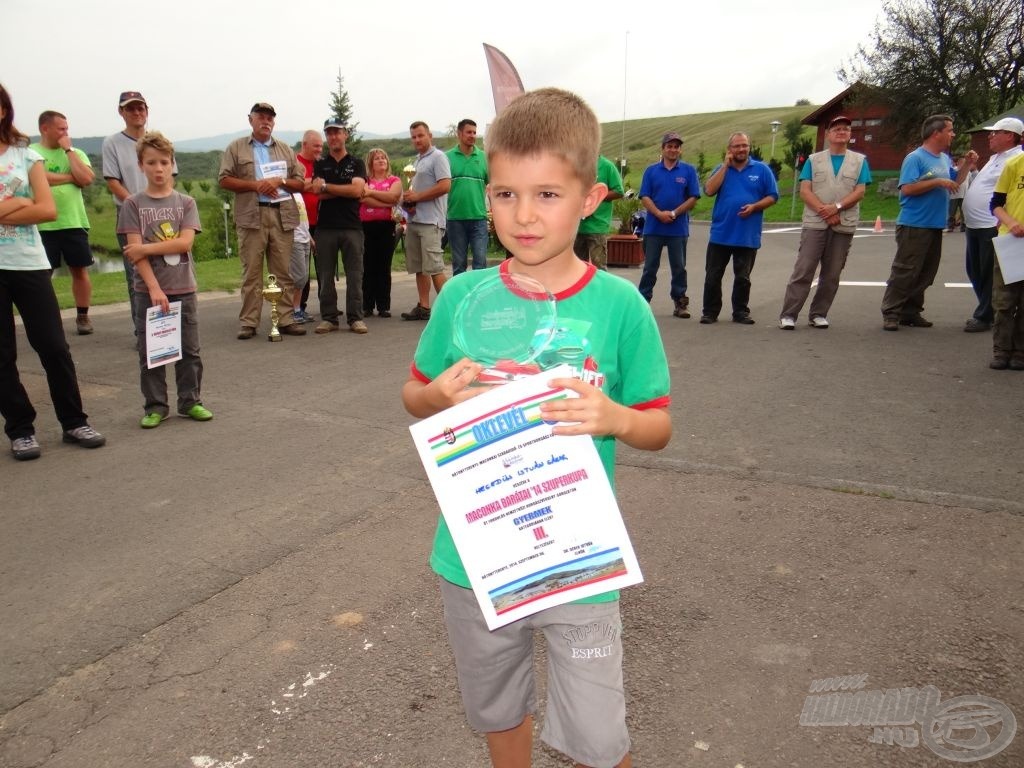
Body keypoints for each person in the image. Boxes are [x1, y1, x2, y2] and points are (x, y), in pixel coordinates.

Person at [402, 87, 672, 768]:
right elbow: (413, 394)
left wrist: (614, 419)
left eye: (548, 195)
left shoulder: (620, 305)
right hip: (474, 556)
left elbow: (657, 425)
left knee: (600, 734)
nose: (523, 216)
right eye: (504, 195)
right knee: (498, 706)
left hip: (578, 558)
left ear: (589, 199)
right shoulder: (464, 296)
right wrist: (435, 394)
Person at [0, 83, 105, 460]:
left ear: (4, 110)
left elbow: (46, 210)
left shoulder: (24, 155)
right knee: (2, 355)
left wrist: (17, 203)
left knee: (54, 347)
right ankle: (20, 429)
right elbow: (33, 202)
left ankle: (74, 421)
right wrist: (18, 200)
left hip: (27, 262)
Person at [117, 131, 212, 428]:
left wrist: (146, 246)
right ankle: (156, 406)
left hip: (184, 287)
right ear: (141, 165)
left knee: (190, 351)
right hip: (149, 291)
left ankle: (191, 401)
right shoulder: (133, 205)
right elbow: (135, 255)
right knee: (152, 352)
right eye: (151, 162)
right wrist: (154, 287)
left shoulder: (186, 203)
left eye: (163, 162)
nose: (158, 168)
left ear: (172, 163)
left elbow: (184, 244)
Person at [880, 115, 978, 331]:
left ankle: (910, 311)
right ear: (936, 133)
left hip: (934, 225)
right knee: (906, 270)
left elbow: (955, 182)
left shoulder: (943, 158)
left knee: (926, 272)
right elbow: (906, 188)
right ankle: (891, 312)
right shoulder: (915, 158)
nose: (953, 134)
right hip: (914, 224)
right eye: (950, 130)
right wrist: (936, 181)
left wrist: (967, 165)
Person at [219, 102, 306, 340]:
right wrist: (255, 185)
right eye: (261, 117)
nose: (266, 121)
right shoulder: (236, 148)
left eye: (270, 118)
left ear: (274, 122)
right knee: (251, 273)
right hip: (251, 215)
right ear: (251, 120)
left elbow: (301, 183)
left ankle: (286, 319)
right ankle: (249, 321)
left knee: (283, 272)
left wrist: (281, 182)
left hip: (281, 215)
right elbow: (224, 180)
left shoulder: (286, 150)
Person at [778, 115, 871, 329]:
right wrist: (826, 211)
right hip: (816, 222)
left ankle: (818, 313)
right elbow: (805, 191)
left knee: (832, 273)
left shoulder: (859, 161)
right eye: (837, 129)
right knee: (804, 269)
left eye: (846, 129)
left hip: (843, 223)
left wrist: (837, 208)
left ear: (850, 135)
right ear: (828, 134)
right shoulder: (814, 160)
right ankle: (789, 314)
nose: (842, 132)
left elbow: (860, 191)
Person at [102, 91, 177, 330]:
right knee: (136, 272)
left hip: (162, 215)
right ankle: (143, 329)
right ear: (121, 112)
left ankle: (168, 324)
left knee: (168, 269)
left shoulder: (159, 141)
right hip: (130, 214)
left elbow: (171, 176)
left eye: (140, 108)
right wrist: (137, 205)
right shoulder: (112, 143)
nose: (137, 112)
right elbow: (113, 181)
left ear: (146, 110)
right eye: (130, 109)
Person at [700, 132, 779, 324]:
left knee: (743, 277)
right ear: (730, 150)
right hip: (721, 233)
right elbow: (709, 190)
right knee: (712, 276)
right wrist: (725, 166)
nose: (742, 149)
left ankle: (741, 312)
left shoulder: (761, 170)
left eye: (745, 145)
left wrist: (755, 207)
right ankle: (710, 312)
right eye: (737, 146)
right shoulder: (721, 169)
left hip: (747, 234)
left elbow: (773, 196)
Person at [30, 111, 96, 335]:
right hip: (42, 224)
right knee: (42, 274)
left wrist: (68, 151)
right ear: (44, 129)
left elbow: (86, 178)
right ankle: (44, 318)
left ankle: (83, 316)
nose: (66, 133)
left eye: (67, 128)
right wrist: (70, 177)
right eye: (61, 129)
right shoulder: (31, 152)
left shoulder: (75, 153)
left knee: (80, 270)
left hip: (74, 221)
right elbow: (37, 177)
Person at [960, 117, 1023, 333]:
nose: (990, 136)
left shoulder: (1015, 159)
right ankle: (989, 310)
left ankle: (985, 314)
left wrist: (1003, 219)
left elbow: (1011, 192)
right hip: (974, 224)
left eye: (995, 132)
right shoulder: (996, 158)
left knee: (988, 273)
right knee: (974, 269)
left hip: (990, 224)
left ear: (1010, 136)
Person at [311, 119, 368, 335]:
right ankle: (329, 318)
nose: (333, 137)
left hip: (352, 226)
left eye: (337, 132)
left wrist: (327, 187)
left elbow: (357, 192)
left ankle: (355, 318)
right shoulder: (320, 164)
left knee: (355, 274)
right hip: (325, 227)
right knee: (325, 275)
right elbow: (317, 191)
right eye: (329, 133)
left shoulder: (357, 163)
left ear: (345, 135)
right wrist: (343, 188)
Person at [637, 134, 699, 316]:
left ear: (680, 150)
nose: (673, 150)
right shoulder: (651, 171)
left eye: (676, 147)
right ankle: (643, 301)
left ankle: (680, 302)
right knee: (650, 267)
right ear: (663, 148)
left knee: (679, 267)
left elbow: (693, 197)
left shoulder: (688, 171)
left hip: (678, 229)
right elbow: (645, 196)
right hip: (654, 228)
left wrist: (673, 213)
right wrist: (658, 213)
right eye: (670, 146)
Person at [400, 122, 450, 321]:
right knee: (420, 268)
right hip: (416, 219)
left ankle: (451, 308)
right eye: (413, 137)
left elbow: (445, 186)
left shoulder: (438, 157)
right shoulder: (417, 160)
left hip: (431, 222)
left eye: (420, 135)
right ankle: (424, 306)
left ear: (430, 135)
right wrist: (408, 202)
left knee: (435, 267)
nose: (417, 140)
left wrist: (418, 197)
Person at [989, 142, 1024, 369]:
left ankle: (1020, 351)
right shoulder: (1013, 164)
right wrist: (1011, 223)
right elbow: (996, 204)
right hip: (1011, 241)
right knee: (1004, 300)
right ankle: (1001, 350)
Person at [360, 147, 401, 317]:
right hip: (366, 227)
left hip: (386, 227)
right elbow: (362, 198)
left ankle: (383, 305)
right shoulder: (364, 181)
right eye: (377, 158)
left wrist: (372, 195)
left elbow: (394, 197)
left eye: (383, 158)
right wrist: (385, 202)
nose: (381, 160)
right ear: (371, 162)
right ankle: (367, 305)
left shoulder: (394, 180)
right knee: (367, 266)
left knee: (384, 266)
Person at [446, 119, 489, 276]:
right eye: (469, 132)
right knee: (459, 265)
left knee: (480, 264)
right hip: (455, 219)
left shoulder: (484, 157)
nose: (472, 136)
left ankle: (479, 300)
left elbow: (493, 185)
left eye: (474, 132)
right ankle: (461, 299)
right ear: (459, 134)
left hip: (479, 219)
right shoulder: (447, 157)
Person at [574, 154, 625, 271]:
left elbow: (619, 191)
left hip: (597, 225)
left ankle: (601, 289)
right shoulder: (575, 164)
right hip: (576, 225)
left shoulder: (607, 166)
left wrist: (595, 197)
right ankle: (582, 290)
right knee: (576, 270)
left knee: (599, 269)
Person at [294, 129, 323, 323]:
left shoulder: (321, 164)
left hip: (321, 222)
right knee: (301, 269)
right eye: (316, 146)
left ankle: (326, 305)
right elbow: (292, 185)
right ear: (304, 145)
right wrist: (313, 183)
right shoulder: (295, 163)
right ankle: (298, 307)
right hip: (299, 224)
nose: (319, 150)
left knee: (323, 267)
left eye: (321, 146)